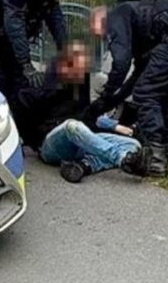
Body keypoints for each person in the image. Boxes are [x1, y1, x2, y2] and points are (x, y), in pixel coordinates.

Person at [84, 0, 168, 178]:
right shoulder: (137, 21)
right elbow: (138, 75)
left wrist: (107, 94)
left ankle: (155, 159)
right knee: (163, 90)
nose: (103, 37)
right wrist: (109, 103)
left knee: (146, 92)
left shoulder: (115, 17)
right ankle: (167, 149)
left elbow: (121, 63)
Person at [15, 42, 149, 184]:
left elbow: (89, 115)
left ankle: (83, 166)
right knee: (72, 126)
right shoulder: (37, 88)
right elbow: (23, 121)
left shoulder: (79, 89)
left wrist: (113, 126)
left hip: (81, 141)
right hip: (51, 145)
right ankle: (122, 159)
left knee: (133, 144)